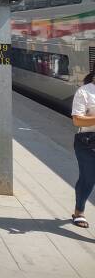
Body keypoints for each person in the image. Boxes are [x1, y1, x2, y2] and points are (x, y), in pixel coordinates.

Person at [71, 70, 95, 229]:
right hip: (88, 142)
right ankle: (79, 211)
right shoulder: (84, 92)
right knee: (88, 179)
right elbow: (77, 120)